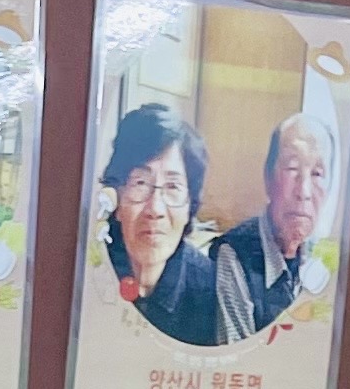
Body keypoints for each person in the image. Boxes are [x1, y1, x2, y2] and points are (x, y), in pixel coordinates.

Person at [99, 98, 221, 346]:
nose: (155, 209)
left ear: (189, 206)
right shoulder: (90, 269)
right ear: (117, 198)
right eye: (140, 183)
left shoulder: (212, 290)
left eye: (172, 186)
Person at [214, 112, 336, 340]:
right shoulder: (234, 254)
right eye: (292, 168)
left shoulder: (326, 257)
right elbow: (239, 355)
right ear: (268, 178)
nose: (304, 191)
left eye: (317, 173)